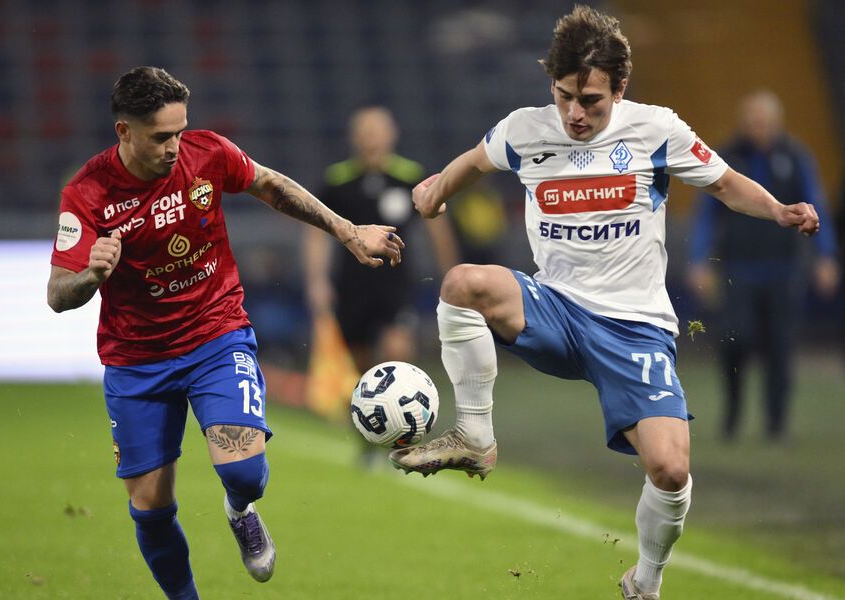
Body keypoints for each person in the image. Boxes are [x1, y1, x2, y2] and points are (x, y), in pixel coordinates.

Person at [387, 6, 821, 600]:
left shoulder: (656, 129)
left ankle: (644, 581)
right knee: (462, 284)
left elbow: (723, 183)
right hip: (556, 309)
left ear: (620, 88)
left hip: (635, 329)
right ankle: (475, 435)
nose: (574, 113)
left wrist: (777, 209)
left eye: (590, 100)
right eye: (564, 96)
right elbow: (473, 162)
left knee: (671, 470)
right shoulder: (525, 129)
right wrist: (437, 189)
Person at [47, 66, 404, 600]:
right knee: (150, 507)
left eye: (179, 131)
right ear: (124, 131)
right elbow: (58, 294)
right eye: (160, 137)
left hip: (215, 336)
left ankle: (240, 511)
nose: (174, 146)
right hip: (136, 359)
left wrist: (348, 232)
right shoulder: (88, 191)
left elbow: (270, 185)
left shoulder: (206, 152)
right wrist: (91, 275)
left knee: (245, 475)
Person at [687, 90, 839, 442]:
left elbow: (815, 204)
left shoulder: (796, 157)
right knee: (734, 342)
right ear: (743, 123)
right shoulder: (727, 158)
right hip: (738, 270)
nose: (759, 128)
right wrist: (698, 259)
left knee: (780, 348)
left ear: (777, 123)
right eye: (753, 122)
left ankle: (776, 425)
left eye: (765, 122)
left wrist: (826, 256)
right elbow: (706, 214)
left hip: (784, 269)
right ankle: (733, 415)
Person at [303, 105, 458, 376]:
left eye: (376, 131)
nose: (370, 138)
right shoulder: (336, 181)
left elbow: (438, 229)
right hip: (352, 282)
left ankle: (401, 398)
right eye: (364, 132)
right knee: (356, 362)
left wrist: (451, 275)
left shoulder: (412, 177)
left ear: (392, 134)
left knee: (398, 350)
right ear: (353, 137)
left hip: (396, 280)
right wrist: (317, 280)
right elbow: (316, 234)